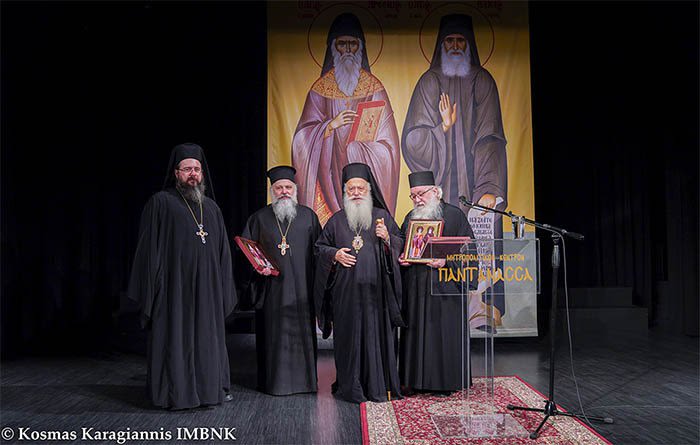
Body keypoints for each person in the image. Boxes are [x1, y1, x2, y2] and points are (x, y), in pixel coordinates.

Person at [128, 143, 236, 410]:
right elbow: (148, 251)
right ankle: (174, 395)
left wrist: (223, 289)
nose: (193, 174)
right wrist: (153, 290)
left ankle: (210, 391)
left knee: (207, 341)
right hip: (173, 292)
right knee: (175, 340)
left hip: (208, 292)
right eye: (187, 169)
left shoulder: (212, 208)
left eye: (197, 169)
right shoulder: (161, 203)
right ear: (176, 173)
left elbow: (223, 254)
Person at [401, 14, 507, 238]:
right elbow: (413, 141)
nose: (455, 46)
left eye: (461, 40)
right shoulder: (429, 81)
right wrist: (443, 128)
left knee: (475, 244)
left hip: (476, 182)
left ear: (469, 44)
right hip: (440, 183)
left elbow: (490, 138)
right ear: (442, 45)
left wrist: (489, 188)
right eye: (450, 40)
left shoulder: (482, 80)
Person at [293, 12, 401, 225]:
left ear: (361, 48)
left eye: (353, 44)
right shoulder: (320, 89)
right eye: (342, 44)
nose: (348, 50)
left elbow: (390, 147)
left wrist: (359, 148)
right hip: (330, 177)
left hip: (363, 178)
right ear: (333, 48)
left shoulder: (374, 87)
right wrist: (329, 127)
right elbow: (301, 139)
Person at [314, 162, 405, 403]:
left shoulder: (382, 217)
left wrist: (388, 239)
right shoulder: (335, 221)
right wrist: (334, 254)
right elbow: (319, 248)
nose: (356, 193)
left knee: (377, 341)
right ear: (345, 191)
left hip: (378, 296)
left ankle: (378, 387)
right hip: (346, 297)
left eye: (360, 188)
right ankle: (350, 387)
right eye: (351, 189)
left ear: (369, 190)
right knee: (349, 341)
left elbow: (402, 244)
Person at [239, 166, 321, 396]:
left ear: (295, 189)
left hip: (303, 290)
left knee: (302, 336)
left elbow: (319, 253)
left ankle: (306, 383)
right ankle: (273, 383)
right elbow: (246, 253)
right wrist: (257, 269)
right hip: (272, 291)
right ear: (272, 191)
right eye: (279, 188)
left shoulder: (309, 217)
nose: (284, 191)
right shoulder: (259, 218)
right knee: (272, 337)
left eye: (288, 187)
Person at [399, 171, 475, 393]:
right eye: (413, 196)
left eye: (421, 194)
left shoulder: (454, 216)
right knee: (416, 335)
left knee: (443, 335)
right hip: (416, 288)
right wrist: (403, 257)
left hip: (445, 288)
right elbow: (404, 246)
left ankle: (445, 383)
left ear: (435, 192)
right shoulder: (410, 217)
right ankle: (415, 382)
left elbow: (469, 251)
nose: (417, 200)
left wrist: (446, 261)